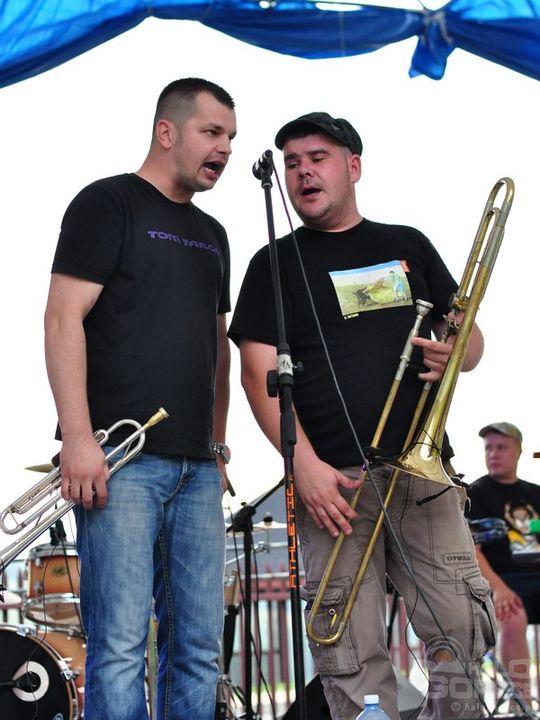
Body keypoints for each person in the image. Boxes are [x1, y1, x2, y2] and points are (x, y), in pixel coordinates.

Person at [228, 112, 495, 720]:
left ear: (353, 167)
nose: (302, 172)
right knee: (349, 646)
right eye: (292, 163)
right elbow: (255, 374)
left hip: (423, 475)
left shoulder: (407, 244)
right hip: (333, 484)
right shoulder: (271, 262)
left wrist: (457, 352)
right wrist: (303, 467)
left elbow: (470, 340)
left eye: (317, 158)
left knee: (460, 625)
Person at [44, 78, 237, 720]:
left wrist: (217, 444)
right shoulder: (107, 202)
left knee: (199, 649)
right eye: (212, 132)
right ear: (166, 132)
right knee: (120, 646)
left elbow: (218, 347)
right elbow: (62, 318)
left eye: (231, 138)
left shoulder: (214, 233)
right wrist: (78, 437)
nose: (225, 148)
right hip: (120, 462)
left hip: (197, 469)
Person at [466, 422, 540, 708]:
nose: (493, 454)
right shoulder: (476, 493)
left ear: (519, 451)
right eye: (489, 448)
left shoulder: (535, 493)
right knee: (512, 616)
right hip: (502, 579)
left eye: (501, 447)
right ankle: (521, 705)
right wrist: (498, 589)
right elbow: (473, 550)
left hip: (535, 575)